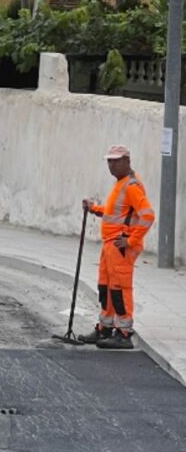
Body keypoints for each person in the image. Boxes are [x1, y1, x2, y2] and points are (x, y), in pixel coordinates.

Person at [78, 145, 155, 349]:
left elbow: (148, 215)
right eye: (108, 161)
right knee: (106, 286)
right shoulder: (121, 183)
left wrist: (130, 241)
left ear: (126, 161)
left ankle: (124, 333)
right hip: (111, 245)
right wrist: (95, 209)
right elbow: (116, 213)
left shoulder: (131, 186)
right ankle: (105, 327)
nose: (110, 165)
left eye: (115, 161)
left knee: (120, 288)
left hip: (121, 246)